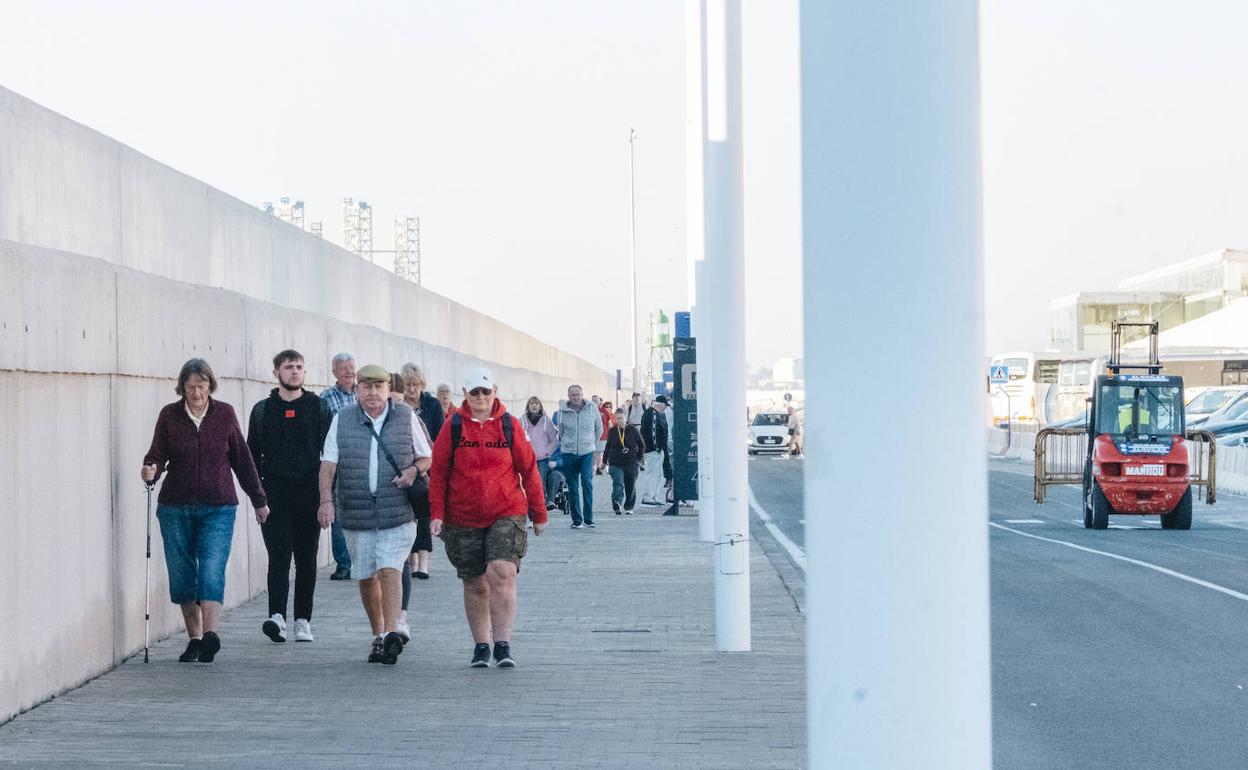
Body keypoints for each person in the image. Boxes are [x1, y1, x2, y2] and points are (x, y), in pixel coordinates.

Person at [141, 358, 269, 663]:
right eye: (191, 387)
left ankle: (211, 635)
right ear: (182, 387)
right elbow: (156, 454)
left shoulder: (224, 414)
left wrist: (259, 500)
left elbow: (242, 460)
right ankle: (195, 639)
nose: (197, 393)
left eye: (202, 386)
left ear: (210, 385)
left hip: (218, 506)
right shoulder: (170, 415)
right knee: (182, 572)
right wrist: (150, 470)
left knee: (211, 567)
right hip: (175, 507)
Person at [428, 368, 547, 668]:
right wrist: (437, 514)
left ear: (495, 391)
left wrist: (539, 513)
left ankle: (502, 644)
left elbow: (529, 469)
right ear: (465, 394)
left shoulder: (509, 425)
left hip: (506, 509)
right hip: (463, 514)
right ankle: (481, 645)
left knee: (502, 571)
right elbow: (439, 473)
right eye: (474, 392)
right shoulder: (453, 426)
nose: (480, 397)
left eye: (485, 391)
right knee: (475, 582)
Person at [317, 364, 433, 665]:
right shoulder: (342, 419)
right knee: (367, 575)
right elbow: (328, 465)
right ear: (357, 390)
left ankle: (393, 632)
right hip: (357, 512)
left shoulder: (405, 416)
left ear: (388, 389)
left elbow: (427, 456)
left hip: (398, 510)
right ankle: (378, 634)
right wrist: (326, 501)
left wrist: (413, 471)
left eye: (378, 387)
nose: (372, 393)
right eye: (366, 387)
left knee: (390, 568)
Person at [247, 350, 332, 644]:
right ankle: (277, 617)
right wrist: (258, 498)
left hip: (309, 494)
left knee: (307, 559)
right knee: (279, 557)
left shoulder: (318, 407)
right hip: (274, 496)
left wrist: (327, 499)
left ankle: (303, 621)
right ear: (276, 373)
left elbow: (330, 455)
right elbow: (251, 456)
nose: (295, 371)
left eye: (299, 367)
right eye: (288, 367)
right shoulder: (263, 410)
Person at [319, 352, 357, 581]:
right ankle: (344, 563)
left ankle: (361, 560)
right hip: (337, 463)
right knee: (339, 514)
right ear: (334, 372)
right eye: (344, 368)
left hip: (361, 461)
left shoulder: (363, 394)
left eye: (351, 367)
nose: (349, 372)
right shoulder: (325, 398)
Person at [556, 385, 604, 529]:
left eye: (578, 395)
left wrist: (591, 443)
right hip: (569, 453)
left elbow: (599, 428)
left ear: (582, 395)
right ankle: (577, 520)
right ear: (569, 396)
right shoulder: (563, 411)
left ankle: (588, 519)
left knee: (587, 483)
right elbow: (560, 431)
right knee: (573, 486)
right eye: (573, 395)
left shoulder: (592, 408)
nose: (576, 397)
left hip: (587, 452)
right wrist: (567, 444)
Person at [519, 396, 560, 511]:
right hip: (527, 458)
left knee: (540, 481)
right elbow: (517, 439)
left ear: (540, 406)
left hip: (542, 458)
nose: (534, 406)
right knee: (527, 482)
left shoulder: (547, 421)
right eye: (532, 403)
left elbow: (554, 441)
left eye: (536, 404)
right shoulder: (521, 421)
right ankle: (529, 504)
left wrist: (546, 451)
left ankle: (541, 505)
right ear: (528, 406)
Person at [604, 407, 644, 515]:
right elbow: (608, 446)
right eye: (617, 418)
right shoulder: (613, 431)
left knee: (630, 485)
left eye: (621, 418)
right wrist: (604, 460)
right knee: (618, 482)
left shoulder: (632, 429)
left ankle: (629, 506)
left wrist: (639, 458)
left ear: (625, 418)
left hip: (631, 462)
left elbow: (641, 444)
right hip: (615, 462)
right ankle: (617, 502)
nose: (619, 421)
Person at [639, 395, 670, 506]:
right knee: (653, 474)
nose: (665, 408)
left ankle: (653, 497)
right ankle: (648, 497)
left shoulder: (652, 413)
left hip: (654, 450)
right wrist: (657, 447)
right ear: (660, 405)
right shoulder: (653, 414)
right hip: (653, 450)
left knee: (658, 475)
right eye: (665, 406)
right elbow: (653, 433)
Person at [595, 399, 615, 475]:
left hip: (605, 435)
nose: (608, 408)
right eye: (593, 400)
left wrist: (612, 434)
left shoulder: (604, 411)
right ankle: (598, 468)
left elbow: (610, 423)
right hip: (595, 436)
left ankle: (606, 467)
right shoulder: (591, 410)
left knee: (606, 452)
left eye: (596, 401)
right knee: (598, 452)